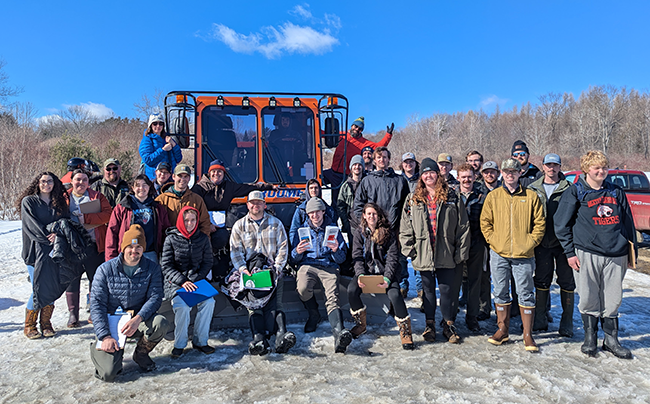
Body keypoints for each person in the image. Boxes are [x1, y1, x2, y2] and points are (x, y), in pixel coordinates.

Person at [554, 151, 635, 359]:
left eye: (604, 167)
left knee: (613, 298)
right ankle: (590, 337)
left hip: (615, 254)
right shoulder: (575, 192)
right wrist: (570, 253)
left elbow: (628, 223)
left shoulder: (616, 192)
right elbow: (561, 225)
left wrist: (630, 249)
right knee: (589, 296)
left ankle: (611, 340)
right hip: (587, 253)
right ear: (586, 169)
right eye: (596, 168)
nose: (601, 171)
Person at [400, 158, 470, 343]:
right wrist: (410, 250)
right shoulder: (413, 199)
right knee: (428, 292)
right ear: (421, 177)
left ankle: (449, 325)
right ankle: (429, 325)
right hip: (424, 252)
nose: (428, 176)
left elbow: (463, 226)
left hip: (447, 251)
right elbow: (405, 226)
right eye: (425, 173)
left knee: (447, 291)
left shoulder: (452, 196)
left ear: (437, 175)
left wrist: (460, 252)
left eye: (432, 172)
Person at [480, 158, 545, 352]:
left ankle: (527, 334)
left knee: (525, 292)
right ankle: (503, 330)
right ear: (502, 173)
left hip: (523, 253)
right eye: (507, 171)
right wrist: (494, 241)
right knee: (500, 291)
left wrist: (530, 242)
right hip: (499, 253)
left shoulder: (531, 197)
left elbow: (540, 223)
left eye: (514, 172)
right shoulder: (494, 196)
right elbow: (485, 222)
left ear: (520, 174)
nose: (510, 175)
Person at [89, 224, 169, 382]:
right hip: (111, 324)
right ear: (123, 247)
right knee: (108, 374)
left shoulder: (152, 268)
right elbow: (96, 305)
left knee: (160, 322)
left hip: (137, 320)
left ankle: (141, 354)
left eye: (138, 246)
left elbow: (155, 297)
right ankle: (100, 349)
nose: (134, 251)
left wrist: (138, 318)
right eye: (130, 246)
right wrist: (104, 336)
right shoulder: (105, 270)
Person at [228, 191, 295, 355]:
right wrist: (244, 269)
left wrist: (277, 269)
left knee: (277, 304)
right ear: (247, 205)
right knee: (253, 306)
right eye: (252, 203)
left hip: (271, 271)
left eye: (259, 203)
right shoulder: (239, 226)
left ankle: (281, 336)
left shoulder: (276, 224)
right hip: (250, 272)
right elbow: (235, 251)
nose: (255, 205)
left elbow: (283, 248)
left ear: (264, 205)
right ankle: (258, 339)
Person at [192, 158, 274, 282]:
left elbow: (247, 187)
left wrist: (268, 186)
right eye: (213, 171)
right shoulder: (199, 188)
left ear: (224, 174)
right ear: (209, 173)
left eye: (220, 172)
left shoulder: (228, 187)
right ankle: (203, 275)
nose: (216, 174)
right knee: (202, 244)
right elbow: (193, 208)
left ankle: (219, 271)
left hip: (219, 227)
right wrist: (207, 224)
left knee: (224, 237)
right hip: (202, 225)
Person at [290, 197, 352, 352]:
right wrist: (297, 252)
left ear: (323, 212)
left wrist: (336, 250)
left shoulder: (333, 229)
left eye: (317, 211)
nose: (315, 215)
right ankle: (314, 313)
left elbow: (342, 258)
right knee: (303, 288)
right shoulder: (302, 230)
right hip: (307, 264)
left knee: (332, 295)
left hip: (328, 265)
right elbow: (293, 258)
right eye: (311, 212)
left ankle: (339, 333)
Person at [351, 203, 414, 349]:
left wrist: (387, 278)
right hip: (366, 273)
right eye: (369, 214)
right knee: (351, 291)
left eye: (374, 214)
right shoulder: (359, 233)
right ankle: (361, 325)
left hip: (386, 274)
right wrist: (360, 275)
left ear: (378, 216)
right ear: (364, 216)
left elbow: (392, 258)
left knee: (395, 295)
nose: (372, 216)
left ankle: (405, 331)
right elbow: (357, 256)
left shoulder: (388, 233)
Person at [528, 153, 575, 336]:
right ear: (543, 166)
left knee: (566, 281)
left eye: (555, 165)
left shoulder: (569, 188)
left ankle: (567, 322)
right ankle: (540, 320)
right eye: (548, 165)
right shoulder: (533, 188)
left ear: (560, 166)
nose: (551, 168)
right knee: (541, 279)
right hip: (541, 242)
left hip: (563, 243)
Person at [18, 172, 69, 339]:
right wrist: (49, 237)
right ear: (37, 183)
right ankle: (29, 325)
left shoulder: (59, 203)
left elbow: (66, 222)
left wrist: (58, 235)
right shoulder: (29, 202)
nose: (46, 184)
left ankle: (46, 323)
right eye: (43, 181)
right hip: (34, 252)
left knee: (52, 287)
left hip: (55, 252)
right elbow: (31, 225)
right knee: (38, 288)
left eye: (50, 181)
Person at [161, 206, 215, 357]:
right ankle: (180, 343)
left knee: (209, 302)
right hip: (176, 282)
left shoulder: (202, 238)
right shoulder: (171, 239)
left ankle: (200, 341)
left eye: (193, 220)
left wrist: (197, 279)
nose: (190, 224)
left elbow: (208, 262)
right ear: (180, 221)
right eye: (186, 220)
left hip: (196, 280)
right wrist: (183, 281)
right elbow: (166, 266)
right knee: (182, 307)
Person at [66, 169, 112, 328]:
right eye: (78, 179)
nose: (81, 183)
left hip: (93, 245)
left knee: (96, 280)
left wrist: (86, 218)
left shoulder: (97, 196)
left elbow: (108, 214)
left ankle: (94, 311)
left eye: (85, 180)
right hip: (71, 247)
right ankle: (73, 315)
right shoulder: (64, 198)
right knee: (72, 280)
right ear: (71, 180)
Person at [105, 174, 170, 263]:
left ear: (149, 187)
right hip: (129, 253)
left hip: (151, 253)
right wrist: (111, 259)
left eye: (144, 185)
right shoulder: (122, 207)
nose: (141, 188)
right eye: (138, 185)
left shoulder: (158, 208)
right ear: (132, 188)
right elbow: (112, 233)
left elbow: (166, 231)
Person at [456, 163, 488, 333]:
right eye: (463, 177)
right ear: (458, 178)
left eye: (469, 176)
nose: (467, 180)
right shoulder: (452, 196)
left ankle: (472, 317)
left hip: (476, 243)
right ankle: (451, 317)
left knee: (475, 282)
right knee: (455, 281)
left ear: (474, 177)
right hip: (456, 245)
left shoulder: (483, 196)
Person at [323, 117, 394, 189]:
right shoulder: (342, 135)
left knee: (338, 198)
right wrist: (311, 126)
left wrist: (388, 135)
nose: (357, 129)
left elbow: (378, 147)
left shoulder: (364, 143)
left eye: (360, 129)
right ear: (352, 126)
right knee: (315, 179)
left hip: (344, 176)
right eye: (356, 126)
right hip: (332, 171)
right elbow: (325, 134)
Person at [353, 147, 410, 231]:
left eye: (384, 157)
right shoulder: (367, 181)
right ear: (374, 160)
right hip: (374, 229)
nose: (381, 160)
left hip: (396, 229)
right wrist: (366, 224)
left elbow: (407, 205)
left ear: (388, 159)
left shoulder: (400, 180)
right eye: (378, 157)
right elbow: (358, 205)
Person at [155, 164, 212, 236]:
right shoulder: (161, 199)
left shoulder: (197, 199)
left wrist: (203, 242)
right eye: (180, 176)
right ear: (173, 177)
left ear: (189, 178)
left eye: (186, 176)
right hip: (169, 241)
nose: (183, 179)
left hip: (191, 241)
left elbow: (205, 223)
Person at [477, 161, 501, 320]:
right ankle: (484, 307)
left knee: (503, 275)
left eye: (492, 172)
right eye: (486, 172)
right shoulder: (478, 189)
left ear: (498, 173)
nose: (489, 175)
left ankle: (506, 308)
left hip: (502, 237)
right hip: (482, 237)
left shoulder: (504, 189)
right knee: (484, 274)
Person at [399, 152, 420, 297]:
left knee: (419, 256)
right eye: (406, 162)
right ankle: (402, 286)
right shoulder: (398, 180)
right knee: (401, 256)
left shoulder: (421, 180)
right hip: (402, 223)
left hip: (419, 222)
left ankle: (421, 288)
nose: (408, 164)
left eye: (411, 162)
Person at [139, 113, 183, 181]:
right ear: (150, 125)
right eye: (155, 123)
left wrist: (174, 145)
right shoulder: (147, 140)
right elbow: (148, 160)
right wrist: (163, 150)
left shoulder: (168, 139)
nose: (158, 126)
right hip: (153, 180)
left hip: (170, 179)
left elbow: (178, 159)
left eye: (161, 123)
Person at [336, 155, 365, 238]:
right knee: (354, 249)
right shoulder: (345, 186)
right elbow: (341, 206)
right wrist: (346, 223)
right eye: (354, 164)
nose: (357, 167)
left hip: (366, 224)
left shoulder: (368, 183)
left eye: (359, 165)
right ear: (351, 167)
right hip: (352, 225)